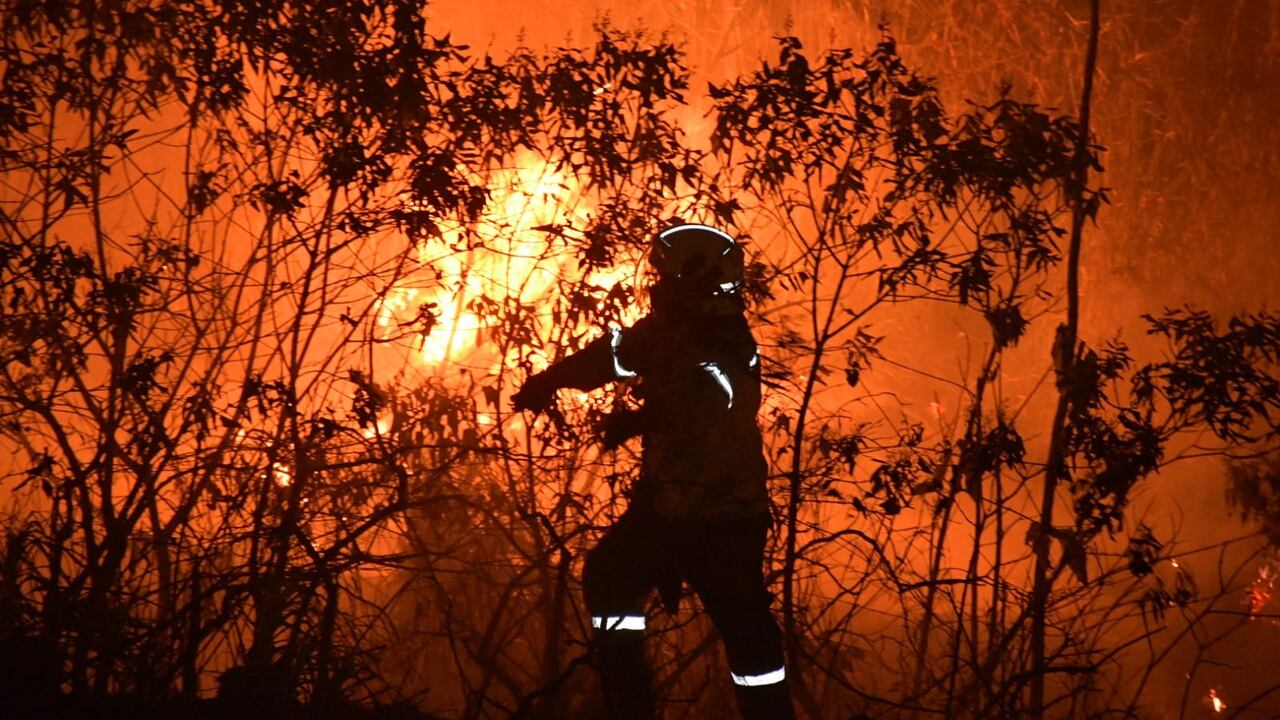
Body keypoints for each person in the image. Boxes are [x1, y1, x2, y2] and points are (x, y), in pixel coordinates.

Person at [512, 223, 795, 720]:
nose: (657, 285)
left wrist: (642, 420)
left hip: (723, 515)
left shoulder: (729, 340)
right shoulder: (669, 329)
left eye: (666, 275)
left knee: (747, 635)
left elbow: (718, 402)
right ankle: (630, 706)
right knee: (609, 578)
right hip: (667, 507)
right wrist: (549, 380)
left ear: (695, 277)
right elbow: (613, 354)